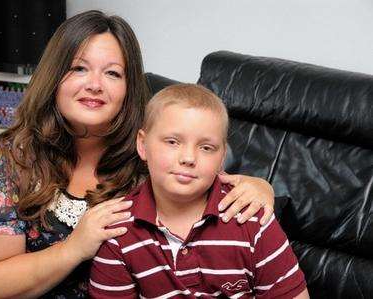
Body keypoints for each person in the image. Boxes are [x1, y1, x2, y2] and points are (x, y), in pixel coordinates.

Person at [0, 10, 275, 299]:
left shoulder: (148, 150)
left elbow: (204, 171)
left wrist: (261, 188)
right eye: (79, 68)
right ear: (54, 77)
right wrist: (73, 249)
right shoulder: (10, 163)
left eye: (113, 74)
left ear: (129, 87)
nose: (95, 85)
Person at [89, 84, 309, 298]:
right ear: (143, 145)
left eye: (206, 147)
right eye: (173, 141)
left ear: (222, 157)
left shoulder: (252, 219)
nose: (188, 158)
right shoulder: (118, 232)